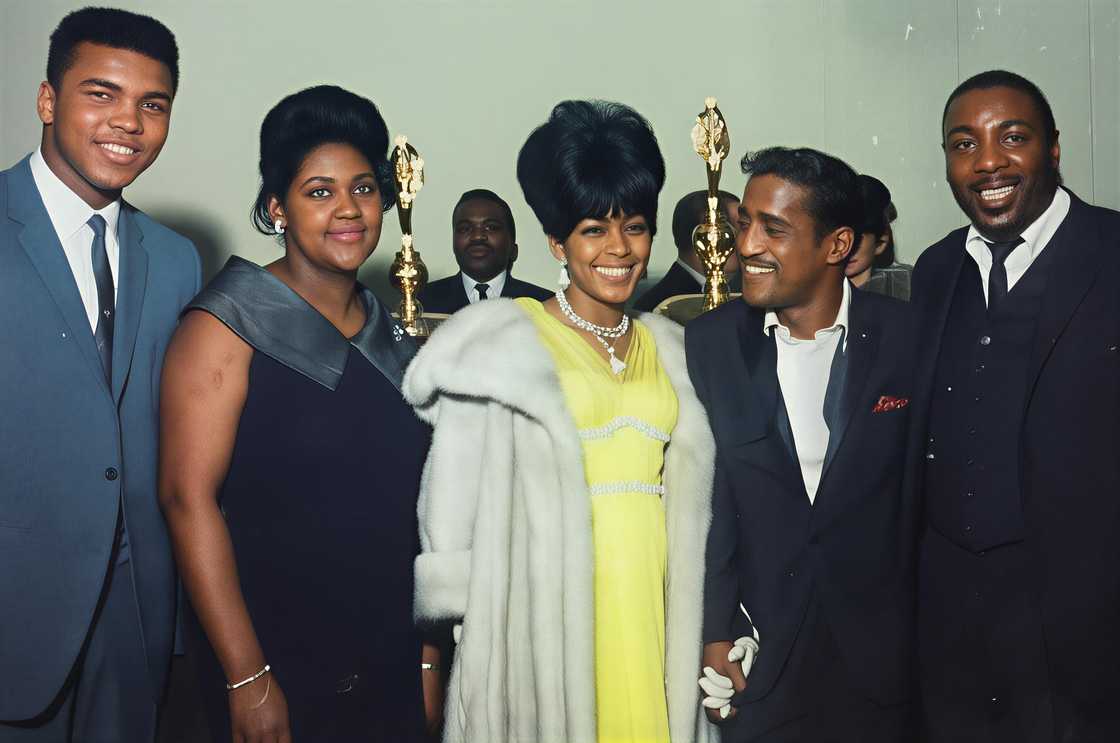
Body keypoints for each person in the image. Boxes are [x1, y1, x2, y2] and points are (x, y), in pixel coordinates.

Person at [403, 100, 717, 743]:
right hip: (542, 617)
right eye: (593, 231)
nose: (619, 249)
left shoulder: (672, 348)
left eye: (634, 227)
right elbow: (451, 500)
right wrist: (460, 638)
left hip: (654, 603)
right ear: (556, 242)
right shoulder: (506, 343)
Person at [158, 85, 439, 743]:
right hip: (277, 663)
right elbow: (183, 498)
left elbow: (426, 510)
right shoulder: (225, 325)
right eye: (319, 191)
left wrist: (429, 655)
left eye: (364, 188)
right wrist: (246, 677)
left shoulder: (394, 337)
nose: (348, 208)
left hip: (390, 656)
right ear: (277, 208)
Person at [0, 9, 199, 742]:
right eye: (100, 93)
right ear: (48, 100)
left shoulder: (176, 258)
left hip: (135, 624)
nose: (129, 122)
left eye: (153, 104)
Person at [912, 70, 1120, 743]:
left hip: (1085, 641)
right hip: (953, 639)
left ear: (1054, 149)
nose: (989, 162)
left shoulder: (1112, 252)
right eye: (964, 144)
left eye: (1013, 137)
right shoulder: (937, 268)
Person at [687, 147, 917, 742]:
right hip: (760, 662)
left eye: (775, 229)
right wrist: (715, 631)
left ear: (837, 246)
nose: (748, 246)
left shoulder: (907, 340)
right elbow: (711, 504)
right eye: (745, 224)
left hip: (888, 665)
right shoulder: (711, 345)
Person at [418, 188, 551, 313]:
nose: (477, 236)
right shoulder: (421, 303)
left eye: (491, 227)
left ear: (513, 249)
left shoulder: (545, 305)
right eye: (465, 229)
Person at [632, 188, 740, 311]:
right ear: (698, 237)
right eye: (728, 227)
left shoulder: (744, 291)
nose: (746, 239)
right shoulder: (659, 307)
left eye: (744, 224)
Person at [846, 174, 912, 300]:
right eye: (838, 239)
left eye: (857, 239)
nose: (847, 249)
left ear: (881, 243)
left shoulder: (905, 284)